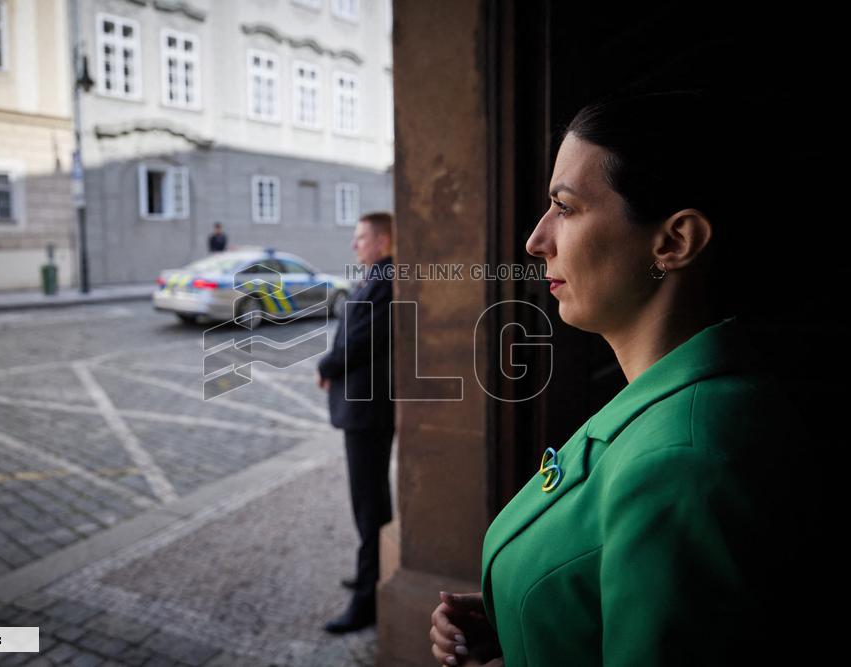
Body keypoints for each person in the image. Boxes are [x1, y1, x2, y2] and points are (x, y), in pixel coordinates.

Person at [429, 91, 815, 666]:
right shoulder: (672, 397)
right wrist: (531, 618)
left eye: (565, 208)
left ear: (673, 242)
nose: (536, 242)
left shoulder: (685, 461)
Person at [316, 211, 396, 634]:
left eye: (361, 237)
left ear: (383, 241)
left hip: (368, 412)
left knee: (369, 502)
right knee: (368, 500)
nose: (354, 245)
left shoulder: (385, 279)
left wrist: (326, 364)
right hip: (364, 408)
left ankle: (368, 597)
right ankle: (372, 569)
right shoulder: (375, 277)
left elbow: (362, 339)